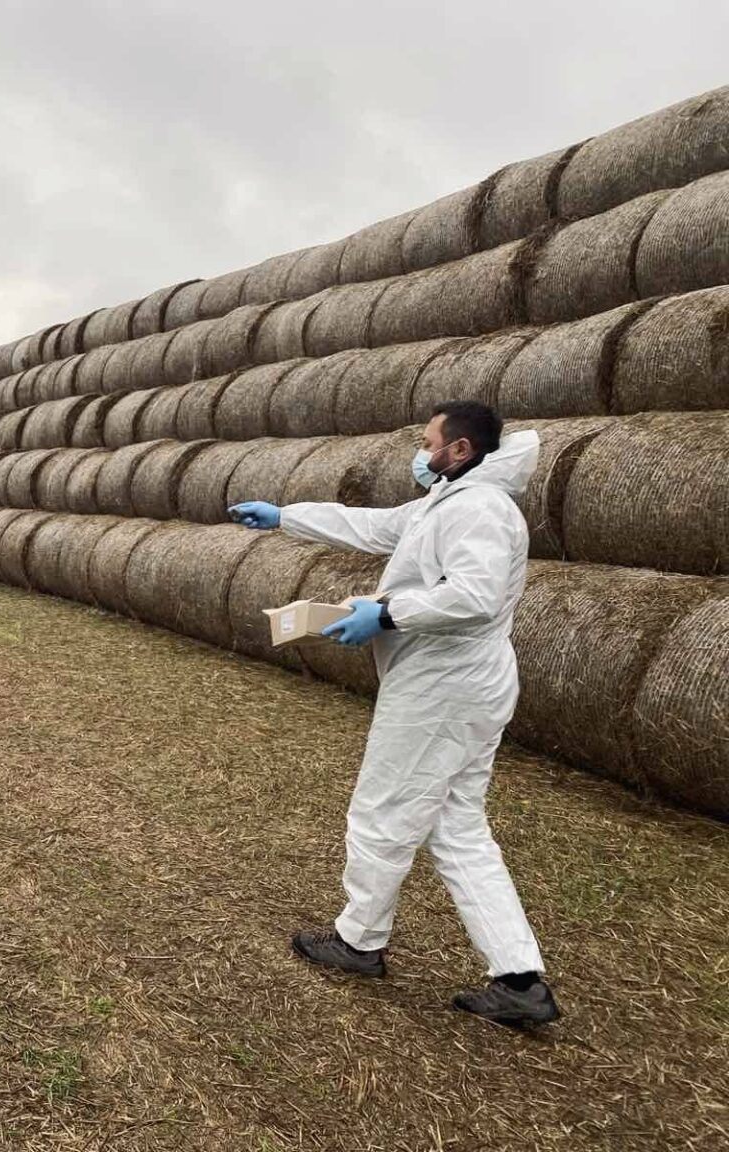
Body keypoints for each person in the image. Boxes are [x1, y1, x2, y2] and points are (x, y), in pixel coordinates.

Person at [230, 400, 559, 1027]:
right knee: (458, 827)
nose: (420, 447)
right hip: (455, 684)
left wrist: (385, 614)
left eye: (428, 439)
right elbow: (375, 527)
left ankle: (359, 942)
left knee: (381, 812)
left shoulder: (481, 510)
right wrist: (285, 516)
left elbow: (476, 596)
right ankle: (519, 979)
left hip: (445, 687)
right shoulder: (447, 502)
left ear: (458, 450)